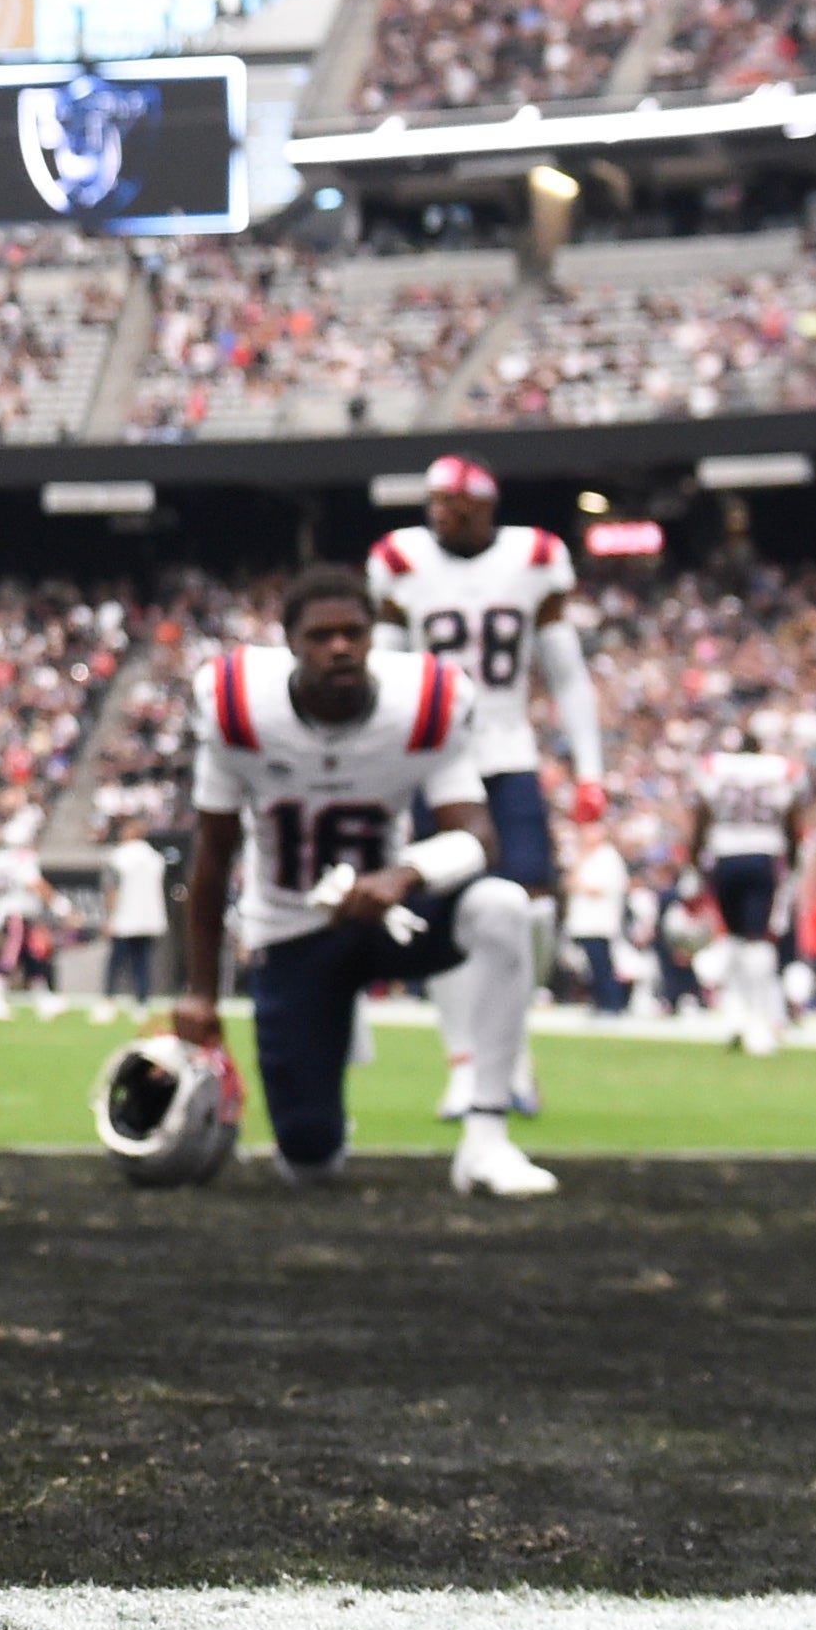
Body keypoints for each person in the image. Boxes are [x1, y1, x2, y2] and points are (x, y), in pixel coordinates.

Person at [173, 565, 550, 1197]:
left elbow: (479, 837)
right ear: (290, 642)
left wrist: (405, 874)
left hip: (390, 920)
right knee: (310, 1163)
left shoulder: (425, 700)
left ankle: (487, 1135)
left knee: (503, 906)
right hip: (293, 931)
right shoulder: (237, 704)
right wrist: (201, 994)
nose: (340, 647)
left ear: (375, 636)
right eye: (322, 636)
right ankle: (321, 1094)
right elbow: (212, 858)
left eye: (354, 632)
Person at [368, 457, 599, 1122]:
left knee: (529, 911)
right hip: (432, 760)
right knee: (441, 914)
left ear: (485, 506)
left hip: (506, 752)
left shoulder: (533, 557)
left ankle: (510, 1053)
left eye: (453, 503)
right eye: (432, 501)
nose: (439, 513)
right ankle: (464, 1064)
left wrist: (590, 769)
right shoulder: (399, 559)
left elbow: (566, 672)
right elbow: (384, 674)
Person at [692, 719, 802, 1055]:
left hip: (725, 854)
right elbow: (792, 817)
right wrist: (792, 858)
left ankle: (738, 1017)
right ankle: (756, 1020)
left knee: (737, 937)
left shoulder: (716, 767)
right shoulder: (778, 770)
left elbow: (703, 813)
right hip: (762, 853)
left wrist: (695, 855)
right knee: (756, 938)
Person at [0, 819, 52, 1020]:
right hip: (16, 914)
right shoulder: (24, 858)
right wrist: (62, 906)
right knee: (11, 955)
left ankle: (42, 997)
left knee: (31, 956)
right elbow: (35, 884)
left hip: (5, 914)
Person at [564, 817, 631, 1013]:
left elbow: (600, 888)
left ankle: (612, 1003)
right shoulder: (584, 856)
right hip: (585, 921)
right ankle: (600, 1000)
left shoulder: (608, 857)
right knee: (592, 966)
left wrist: (579, 885)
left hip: (599, 921)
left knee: (602, 965)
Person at [98, 827, 167, 1013]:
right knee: (142, 963)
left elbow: (112, 889)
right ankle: (141, 1003)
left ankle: (108, 1001)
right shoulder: (155, 858)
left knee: (116, 963)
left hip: (124, 919)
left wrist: (110, 917)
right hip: (149, 919)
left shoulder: (119, 857)